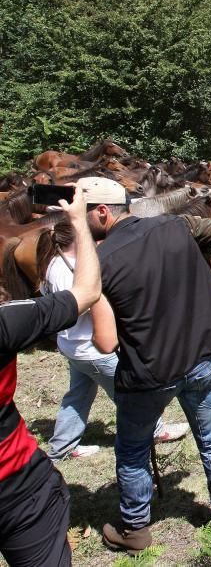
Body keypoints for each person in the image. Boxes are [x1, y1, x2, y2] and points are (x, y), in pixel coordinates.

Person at [83, 177, 211, 553]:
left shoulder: (99, 260)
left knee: (131, 450)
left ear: (101, 212)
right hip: (199, 357)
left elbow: (106, 341)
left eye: (82, 216)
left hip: (148, 371)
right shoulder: (177, 225)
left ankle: (136, 529)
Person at [0, 185, 101, 567]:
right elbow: (87, 291)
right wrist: (79, 220)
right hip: (17, 485)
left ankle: (65, 439)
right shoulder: (7, 323)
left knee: (78, 392)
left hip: (68, 348)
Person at [41, 221, 188, 461]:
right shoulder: (74, 269)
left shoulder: (53, 265)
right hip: (93, 348)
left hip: (71, 346)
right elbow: (87, 308)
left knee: (78, 395)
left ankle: (62, 447)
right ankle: (157, 430)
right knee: (132, 397)